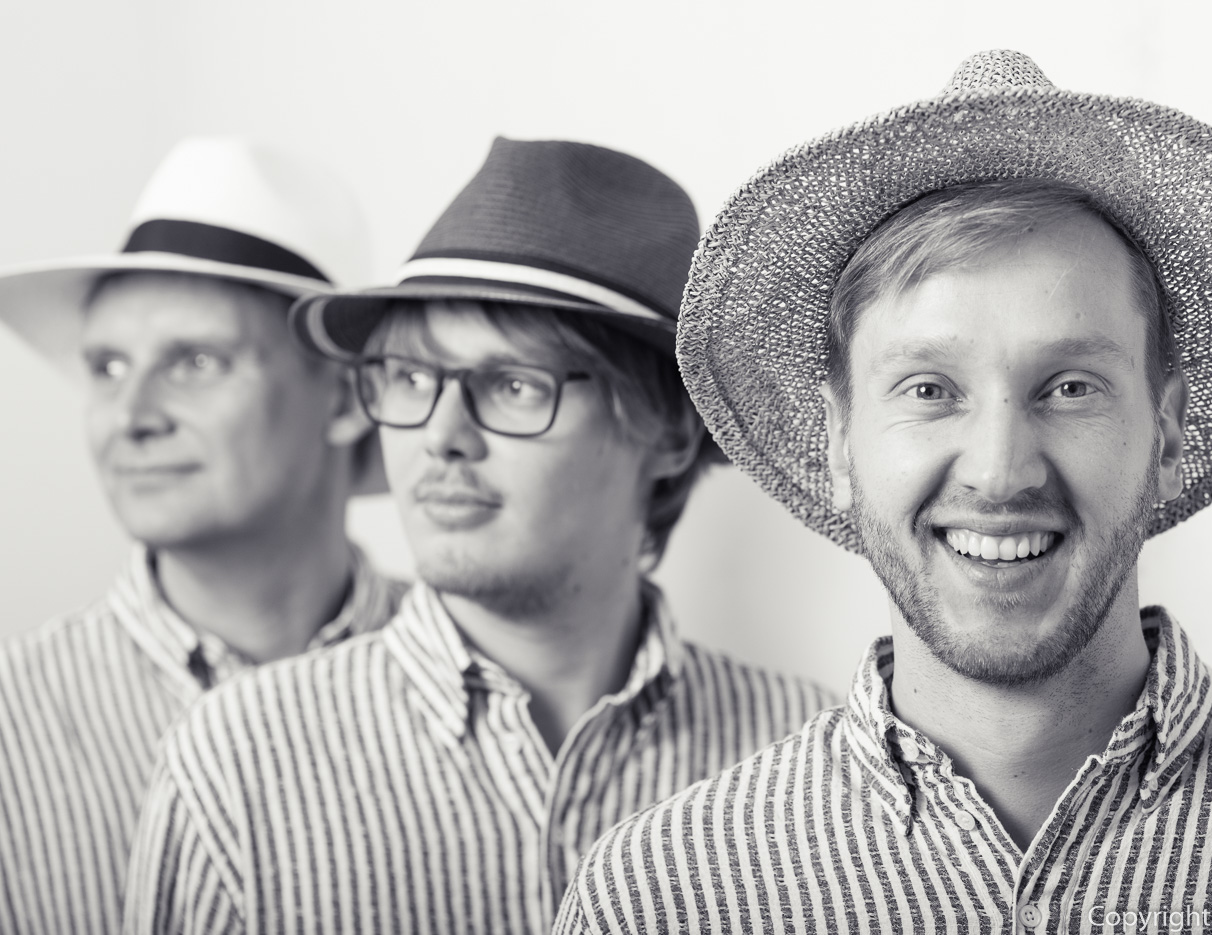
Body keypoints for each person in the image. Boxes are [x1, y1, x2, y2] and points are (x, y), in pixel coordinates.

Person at [556, 51, 1212, 933]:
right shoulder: (664, 895)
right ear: (839, 441)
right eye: (929, 389)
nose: (999, 471)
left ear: (1169, 435)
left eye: (1069, 386)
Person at [122, 137, 838, 935]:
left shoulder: (810, 759)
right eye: (411, 378)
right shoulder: (236, 763)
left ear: (669, 428)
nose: (441, 436)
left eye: (513, 385)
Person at [0, 138, 405, 934]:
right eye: (107, 367)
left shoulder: (493, 677)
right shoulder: (13, 720)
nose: (131, 416)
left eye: (194, 361)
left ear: (344, 397)